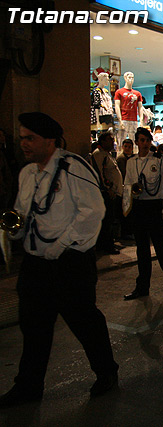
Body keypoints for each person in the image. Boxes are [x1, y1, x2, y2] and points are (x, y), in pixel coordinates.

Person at [0, 112, 119, 408]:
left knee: (84, 322)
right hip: (36, 263)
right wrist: (14, 232)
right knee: (33, 326)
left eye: (31, 138)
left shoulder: (73, 167)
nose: (24, 144)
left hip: (70, 263)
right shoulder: (28, 174)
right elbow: (23, 213)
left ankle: (107, 372)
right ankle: (28, 385)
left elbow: (92, 212)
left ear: (50, 141)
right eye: (22, 137)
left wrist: (62, 246)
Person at [122, 128, 163, 300]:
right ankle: (142, 287)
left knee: (160, 247)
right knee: (142, 250)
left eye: (147, 140)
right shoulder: (131, 162)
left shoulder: (160, 160)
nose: (145, 144)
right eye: (141, 140)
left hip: (155, 207)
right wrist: (128, 204)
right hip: (139, 207)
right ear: (136, 142)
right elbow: (127, 184)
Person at [90, 131, 123, 254]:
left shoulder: (107, 154)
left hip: (114, 193)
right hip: (107, 193)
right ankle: (105, 245)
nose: (112, 142)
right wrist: (108, 188)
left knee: (110, 220)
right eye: (110, 140)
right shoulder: (99, 154)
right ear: (102, 141)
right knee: (107, 221)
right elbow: (99, 174)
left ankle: (108, 243)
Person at [114, 71, 144, 148]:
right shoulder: (119, 92)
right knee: (121, 141)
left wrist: (141, 120)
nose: (131, 79)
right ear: (125, 78)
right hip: (124, 119)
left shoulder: (137, 93)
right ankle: (120, 157)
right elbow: (117, 106)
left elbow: (140, 107)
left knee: (134, 142)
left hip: (134, 120)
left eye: (132, 77)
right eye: (129, 77)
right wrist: (120, 120)